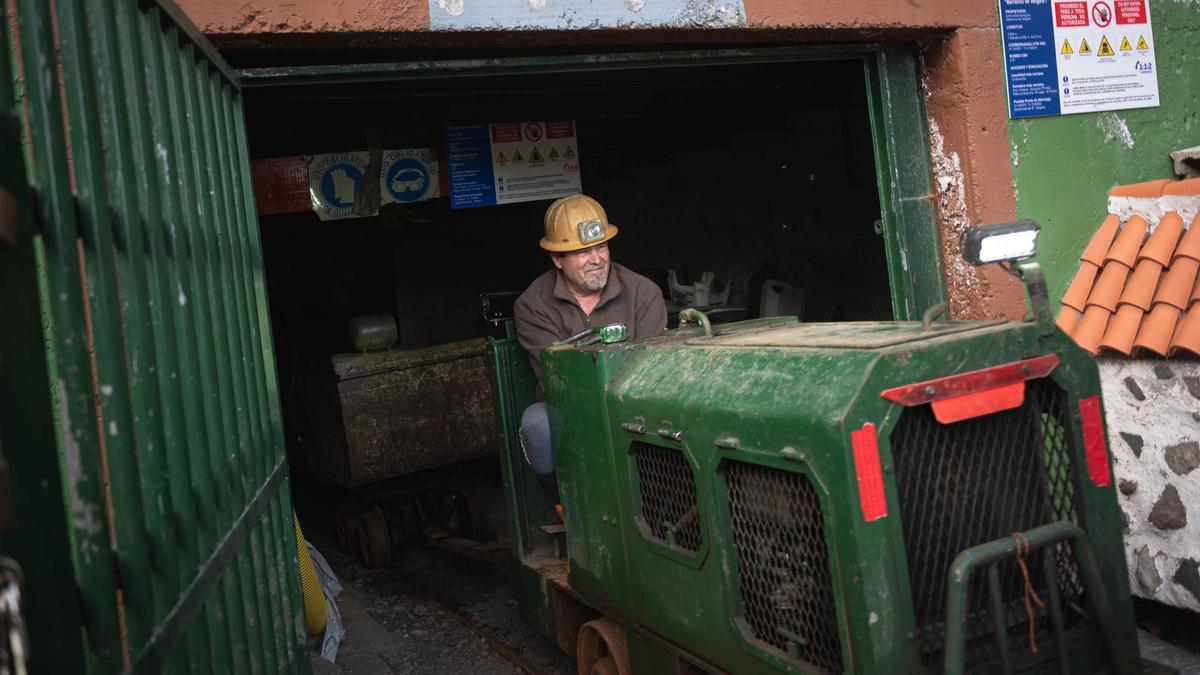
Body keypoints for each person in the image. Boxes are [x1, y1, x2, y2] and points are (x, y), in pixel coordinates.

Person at [514, 194, 668, 499]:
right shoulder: (533, 305)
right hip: (572, 412)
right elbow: (559, 382)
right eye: (582, 251)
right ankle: (566, 508)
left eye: (601, 246)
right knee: (537, 425)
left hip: (638, 408)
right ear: (557, 259)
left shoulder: (643, 292)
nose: (596, 259)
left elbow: (655, 372)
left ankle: (656, 502)